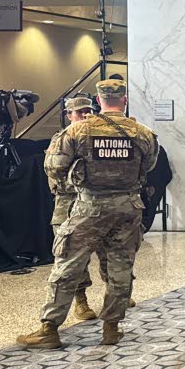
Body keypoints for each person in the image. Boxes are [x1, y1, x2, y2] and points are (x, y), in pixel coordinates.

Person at [17, 80, 157, 349]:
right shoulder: (143, 133)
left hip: (90, 206)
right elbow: (149, 165)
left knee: (68, 264)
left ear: (98, 100)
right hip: (128, 207)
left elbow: (54, 166)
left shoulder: (78, 130)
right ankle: (111, 328)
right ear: (125, 100)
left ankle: (49, 329)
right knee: (120, 268)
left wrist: (77, 179)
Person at [45, 95, 106, 322]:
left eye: (88, 111)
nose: (84, 115)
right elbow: (54, 172)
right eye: (78, 112)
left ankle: (115, 293)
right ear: (69, 115)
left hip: (96, 200)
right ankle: (81, 300)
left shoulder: (99, 136)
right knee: (72, 252)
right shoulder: (62, 139)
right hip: (69, 202)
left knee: (109, 249)